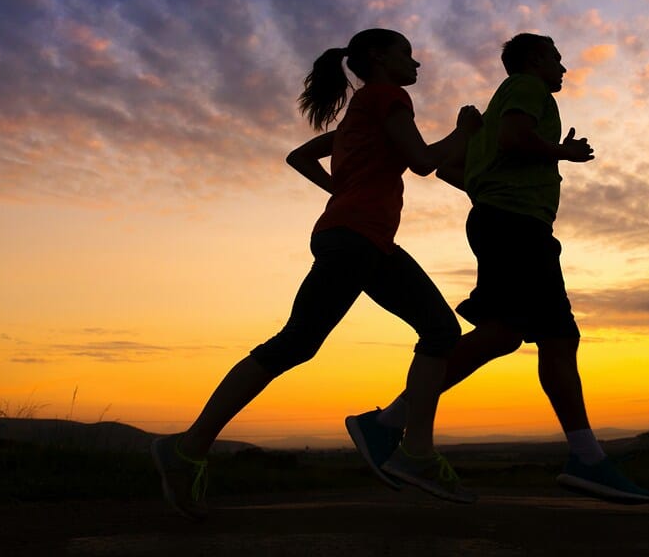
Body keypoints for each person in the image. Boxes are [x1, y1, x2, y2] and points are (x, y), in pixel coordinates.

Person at [152, 28, 480, 519]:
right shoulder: (389, 97)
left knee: (437, 330)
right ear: (378, 58)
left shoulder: (357, 116)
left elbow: (299, 156)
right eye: (406, 54)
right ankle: (187, 448)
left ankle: (417, 454)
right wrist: (466, 131)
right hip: (356, 238)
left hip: (360, 238)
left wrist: (340, 192)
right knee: (297, 342)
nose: (417, 64)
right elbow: (424, 162)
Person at [346, 33, 649, 503]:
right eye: (557, 57)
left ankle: (391, 422)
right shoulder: (525, 88)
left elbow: (462, 171)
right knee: (540, 336)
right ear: (534, 60)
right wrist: (561, 153)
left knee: (518, 335)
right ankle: (586, 460)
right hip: (516, 228)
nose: (564, 67)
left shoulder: (495, 113)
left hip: (505, 224)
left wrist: (488, 192)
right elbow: (514, 140)